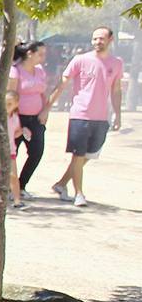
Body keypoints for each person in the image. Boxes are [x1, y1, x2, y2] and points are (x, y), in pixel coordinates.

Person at [46, 26, 124, 207]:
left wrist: (118, 115)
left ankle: (61, 184)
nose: (98, 42)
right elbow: (63, 83)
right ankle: (78, 193)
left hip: (102, 117)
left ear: (110, 40)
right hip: (80, 114)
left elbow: (116, 90)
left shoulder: (116, 63)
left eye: (101, 38)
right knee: (78, 155)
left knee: (89, 154)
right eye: (95, 38)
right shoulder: (80, 60)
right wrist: (47, 107)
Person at [8, 42, 49, 193]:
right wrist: (16, 120)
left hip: (36, 118)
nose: (43, 57)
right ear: (29, 53)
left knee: (37, 152)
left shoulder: (40, 71)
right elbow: (10, 95)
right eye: (40, 54)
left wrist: (46, 110)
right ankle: (8, 186)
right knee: (12, 153)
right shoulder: (15, 71)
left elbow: (44, 92)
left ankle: (21, 184)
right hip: (18, 117)